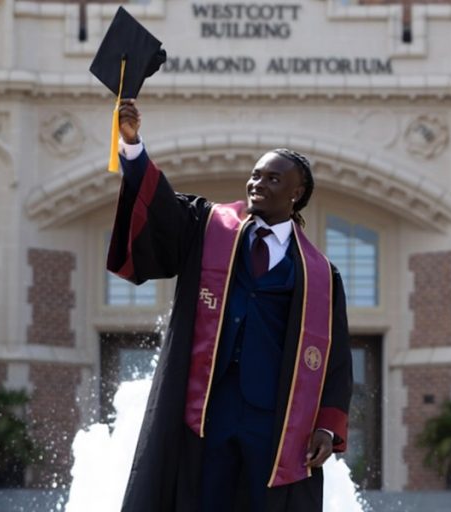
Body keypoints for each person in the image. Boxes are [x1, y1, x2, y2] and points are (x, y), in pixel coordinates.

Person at [107, 99, 353, 512]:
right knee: (203, 500)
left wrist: (327, 427)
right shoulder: (211, 227)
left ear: (296, 194)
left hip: (274, 417)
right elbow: (162, 209)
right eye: (255, 176)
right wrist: (133, 148)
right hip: (208, 405)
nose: (257, 184)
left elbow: (336, 358)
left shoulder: (320, 275)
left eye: (272, 179)